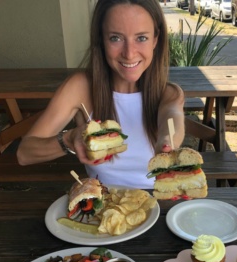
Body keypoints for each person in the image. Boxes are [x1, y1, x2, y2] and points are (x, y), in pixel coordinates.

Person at [17, 0, 185, 189]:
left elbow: (172, 120)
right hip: (104, 208)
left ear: (155, 39)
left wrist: (166, 142)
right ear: (101, 40)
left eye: (141, 38)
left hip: (158, 205)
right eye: (115, 38)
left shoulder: (168, 93)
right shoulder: (80, 87)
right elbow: (24, 153)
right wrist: (68, 139)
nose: (129, 54)